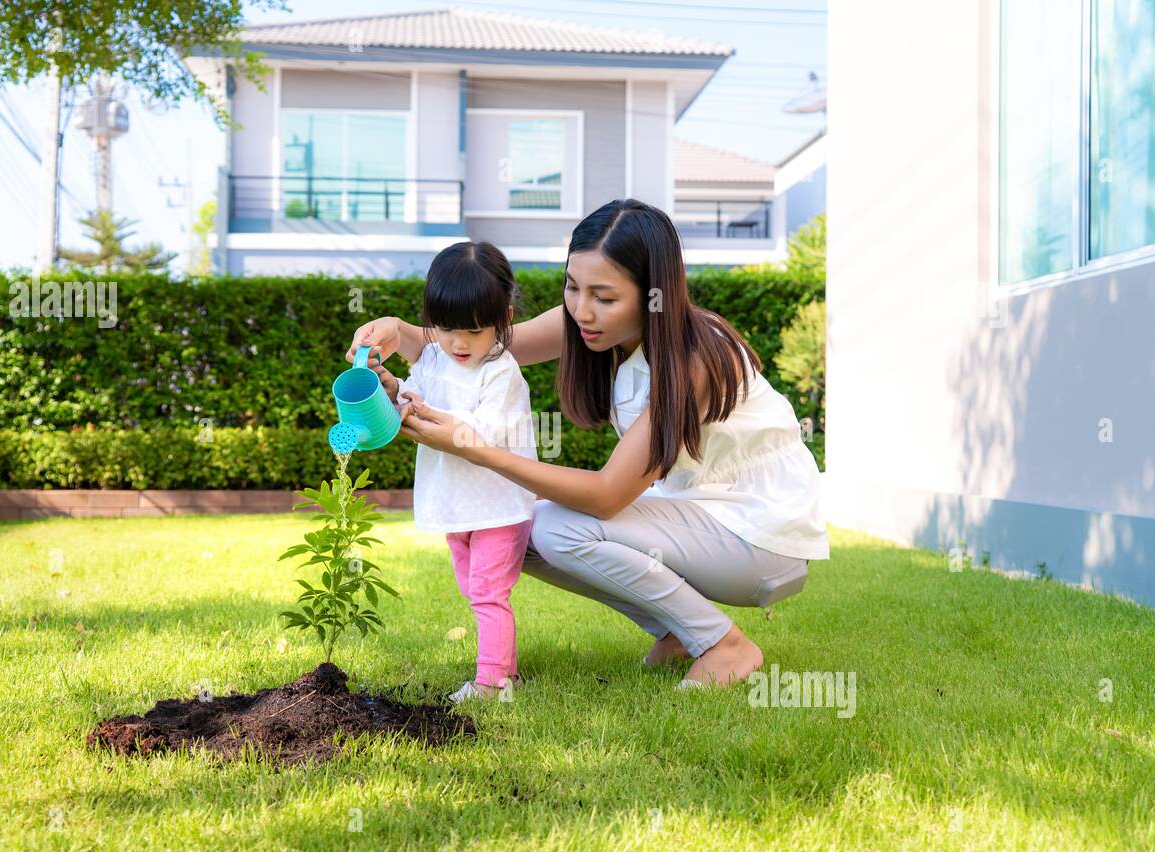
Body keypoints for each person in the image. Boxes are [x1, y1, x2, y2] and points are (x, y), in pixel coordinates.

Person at [351, 199, 828, 690]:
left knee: (555, 527)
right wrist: (399, 330)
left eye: (604, 296)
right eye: (573, 287)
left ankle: (724, 644)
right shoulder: (586, 322)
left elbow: (606, 495)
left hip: (759, 536)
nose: (582, 309)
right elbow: (480, 345)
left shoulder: (693, 359)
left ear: (653, 294)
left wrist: (474, 449)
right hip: (701, 514)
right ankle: (676, 631)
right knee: (517, 527)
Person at [373, 241, 538, 702]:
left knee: (487, 592)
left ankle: (493, 682)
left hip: (498, 506)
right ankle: (505, 667)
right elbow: (417, 395)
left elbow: (485, 431)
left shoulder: (501, 372)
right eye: (446, 329)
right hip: (457, 503)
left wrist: (427, 415)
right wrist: (394, 389)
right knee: (473, 588)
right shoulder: (433, 357)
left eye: (474, 330)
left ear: (505, 320)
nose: (458, 343)